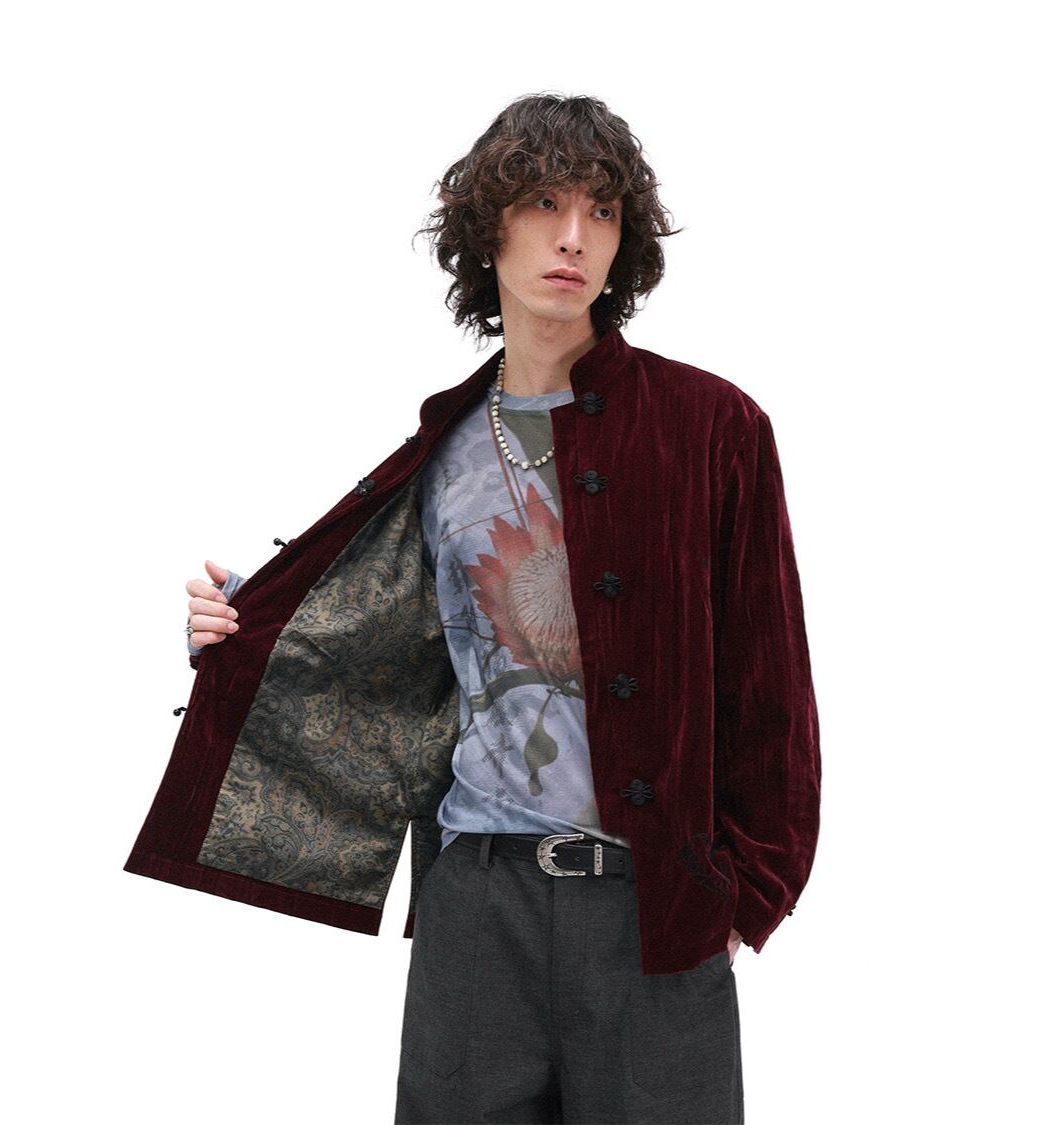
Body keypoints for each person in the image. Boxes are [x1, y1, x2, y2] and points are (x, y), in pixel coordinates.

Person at [148, 92, 821, 1124]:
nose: (572, 235)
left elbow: (771, 677)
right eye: (544, 202)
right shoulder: (444, 445)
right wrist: (244, 631)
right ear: (487, 226)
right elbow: (389, 658)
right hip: (474, 909)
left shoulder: (710, 426)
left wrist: (748, 892)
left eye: (602, 211)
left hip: (653, 912)